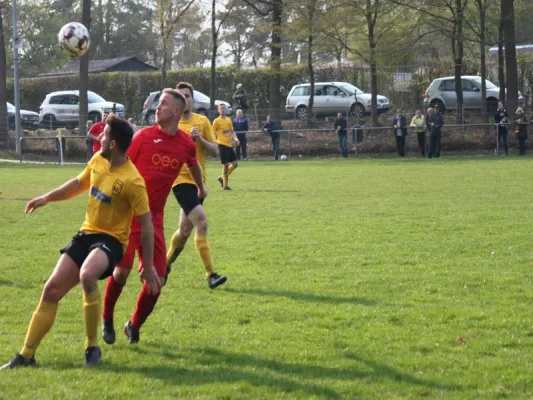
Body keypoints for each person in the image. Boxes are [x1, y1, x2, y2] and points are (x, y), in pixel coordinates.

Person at [1, 114, 159, 369]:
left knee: (87, 275)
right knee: (51, 290)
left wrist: (148, 265)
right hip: (86, 234)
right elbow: (77, 183)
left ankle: (91, 347)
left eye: (104, 135)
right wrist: (46, 198)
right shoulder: (98, 160)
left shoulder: (133, 181)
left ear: (114, 143)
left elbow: (148, 224)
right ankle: (26, 355)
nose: (99, 138)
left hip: (111, 242)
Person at [101, 89, 207, 345]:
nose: (157, 108)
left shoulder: (184, 143)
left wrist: (201, 187)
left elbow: (192, 162)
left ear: (176, 112)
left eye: (163, 104)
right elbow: (119, 165)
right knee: (121, 272)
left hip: (154, 219)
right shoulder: (143, 137)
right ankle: (106, 318)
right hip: (127, 216)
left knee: (157, 280)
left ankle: (133, 325)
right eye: (158, 104)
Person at [165, 81, 227, 289]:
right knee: (202, 222)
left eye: (188, 96)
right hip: (180, 182)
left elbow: (216, 151)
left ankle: (164, 265)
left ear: (192, 100)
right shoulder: (170, 123)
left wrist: (200, 139)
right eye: (181, 96)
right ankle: (211, 274)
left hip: (199, 182)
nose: (185, 100)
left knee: (183, 232)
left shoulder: (202, 122)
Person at [213, 103, 239, 191]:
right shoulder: (216, 121)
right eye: (221, 108)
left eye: (224, 108)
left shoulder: (229, 120)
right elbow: (212, 133)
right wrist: (213, 144)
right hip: (221, 144)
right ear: (218, 110)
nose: (223, 110)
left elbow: (232, 131)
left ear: (226, 110)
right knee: (226, 165)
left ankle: (221, 178)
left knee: (235, 164)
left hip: (229, 144)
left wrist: (235, 139)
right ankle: (225, 186)